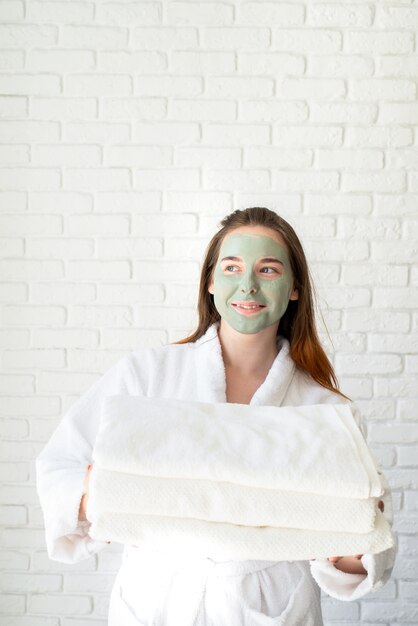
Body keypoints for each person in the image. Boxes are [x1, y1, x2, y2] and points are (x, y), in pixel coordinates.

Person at [36, 207, 396, 626]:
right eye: (231, 267)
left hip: (270, 607)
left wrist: (350, 546)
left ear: (295, 288)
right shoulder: (146, 375)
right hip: (156, 602)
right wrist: (108, 497)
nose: (247, 285)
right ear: (210, 281)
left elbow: (364, 541)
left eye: (268, 269)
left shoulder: (327, 413)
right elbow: (60, 465)